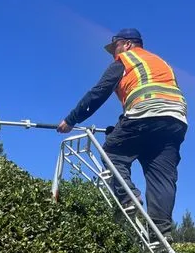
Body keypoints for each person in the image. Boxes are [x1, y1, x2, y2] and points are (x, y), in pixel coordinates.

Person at [57, 28, 187, 240]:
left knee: (112, 152)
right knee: (161, 176)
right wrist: (118, 129)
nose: (113, 54)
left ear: (127, 44)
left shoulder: (125, 60)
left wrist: (71, 120)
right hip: (175, 121)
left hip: (146, 112)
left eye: (115, 47)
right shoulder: (160, 63)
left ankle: (127, 199)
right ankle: (161, 232)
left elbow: (98, 93)